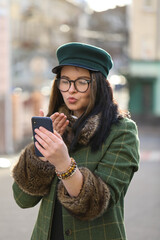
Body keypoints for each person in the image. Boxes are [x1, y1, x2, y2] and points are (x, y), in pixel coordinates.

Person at [12, 42, 140, 240]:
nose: (70, 90)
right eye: (65, 81)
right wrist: (41, 155)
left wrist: (63, 163)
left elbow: (96, 205)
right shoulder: (52, 127)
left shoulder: (122, 131)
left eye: (81, 82)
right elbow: (22, 199)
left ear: (98, 85)